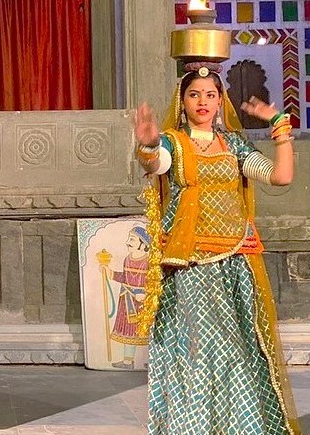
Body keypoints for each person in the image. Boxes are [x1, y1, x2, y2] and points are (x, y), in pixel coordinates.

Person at [133, 65, 299, 435]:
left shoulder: (233, 145)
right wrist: (147, 145)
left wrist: (279, 125)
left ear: (220, 101)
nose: (203, 101)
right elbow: (156, 164)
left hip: (235, 261)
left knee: (237, 351)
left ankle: (240, 426)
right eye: (194, 94)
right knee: (197, 349)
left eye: (210, 95)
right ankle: (192, 426)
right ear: (183, 101)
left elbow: (280, 176)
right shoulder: (174, 143)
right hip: (190, 263)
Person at [98, 225, 150, 369]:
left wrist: (145, 293)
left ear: (143, 243)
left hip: (142, 302)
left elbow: (153, 280)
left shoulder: (148, 261)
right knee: (129, 332)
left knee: (145, 331)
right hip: (126, 300)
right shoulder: (127, 259)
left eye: (132, 239)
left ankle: (151, 360)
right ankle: (128, 362)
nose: (128, 242)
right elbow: (125, 278)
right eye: (129, 239)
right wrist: (109, 272)